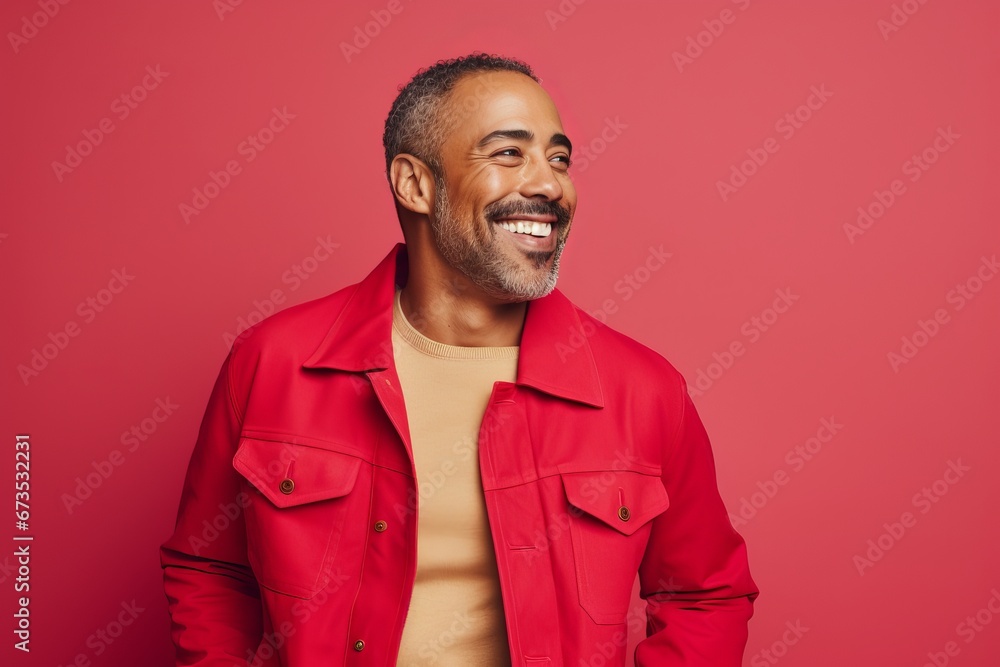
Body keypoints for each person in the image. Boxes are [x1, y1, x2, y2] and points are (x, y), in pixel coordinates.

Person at [159, 52, 759, 666]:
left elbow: (706, 594)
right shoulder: (272, 363)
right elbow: (207, 566)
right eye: (508, 153)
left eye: (559, 159)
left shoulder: (643, 390)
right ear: (415, 183)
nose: (550, 185)